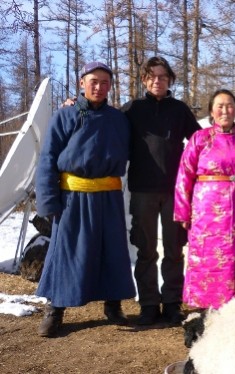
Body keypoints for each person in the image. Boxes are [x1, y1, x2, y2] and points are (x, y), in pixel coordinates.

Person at [35, 61, 136, 337]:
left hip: (108, 197)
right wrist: (47, 200)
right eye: (94, 81)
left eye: (105, 82)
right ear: (82, 83)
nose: (99, 87)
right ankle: (55, 310)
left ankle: (113, 305)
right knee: (65, 252)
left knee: (111, 251)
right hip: (73, 198)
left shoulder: (119, 119)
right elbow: (47, 160)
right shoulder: (64, 116)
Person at [121, 57, 201, 325]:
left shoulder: (179, 109)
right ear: (144, 79)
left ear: (169, 80)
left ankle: (171, 302)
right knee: (145, 249)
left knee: (174, 248)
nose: (158, 81)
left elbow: (199, 140)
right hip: (142, 189)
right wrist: (78, 110)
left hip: (175, 191)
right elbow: (104, 124)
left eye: (163, 76)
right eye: (152, 76)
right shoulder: (132, 108)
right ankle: (148, 304)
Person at [174, 89, 235, 310]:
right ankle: (204, 305)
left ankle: (234, 305)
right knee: (206, 255)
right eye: (220, 106)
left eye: (229, 105)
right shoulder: (200, 138)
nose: (225, 110)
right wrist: (183, 211)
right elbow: (185, 174)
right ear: (211, 111)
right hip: (207, 209)